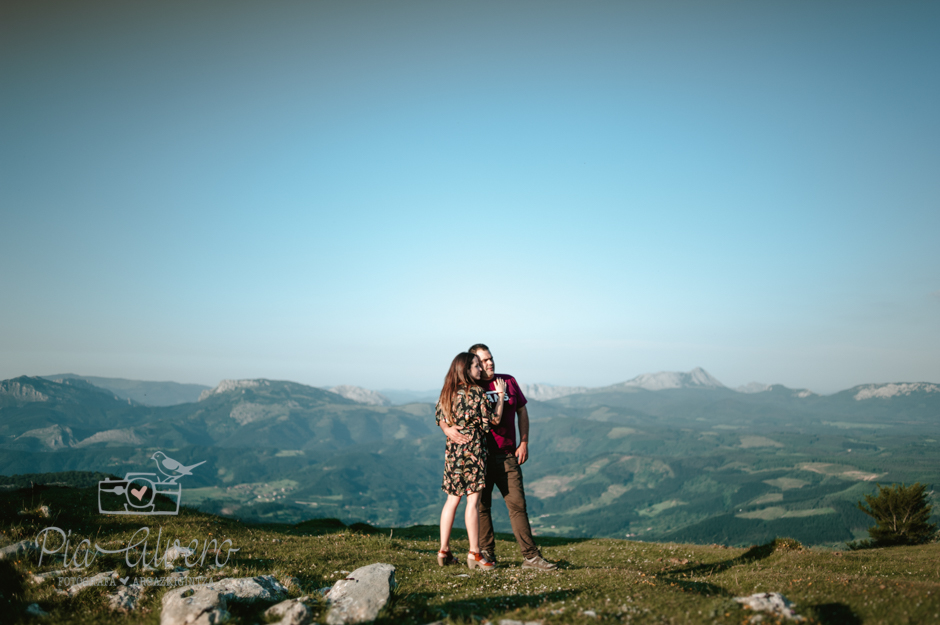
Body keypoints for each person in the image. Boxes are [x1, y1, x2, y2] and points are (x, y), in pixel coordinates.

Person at [440, 344, 557, 570]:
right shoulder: (471, 387)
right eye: (482, 361)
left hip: (506, 455)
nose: (489, 363)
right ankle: (485, 553)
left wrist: (524, 442)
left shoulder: (509, 381)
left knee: (517, 505)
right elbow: (444, 410)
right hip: (479, 457)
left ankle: (531, 557)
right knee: (481, 508)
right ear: (472, 365)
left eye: (490, 359)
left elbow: (522, 411)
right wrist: (446, 429)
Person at [435, 351, 507, 571]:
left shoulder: (447, 392)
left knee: (451, 500)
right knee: (472, 503)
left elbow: (439, 417)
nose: (480, 369)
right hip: (474, 450)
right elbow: (493, 420)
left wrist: (447, 429)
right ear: (466, 369)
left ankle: (444, 550)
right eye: (476, 366)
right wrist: (500, 395)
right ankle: (475, 553)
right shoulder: (476, 392)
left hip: (454, 451)